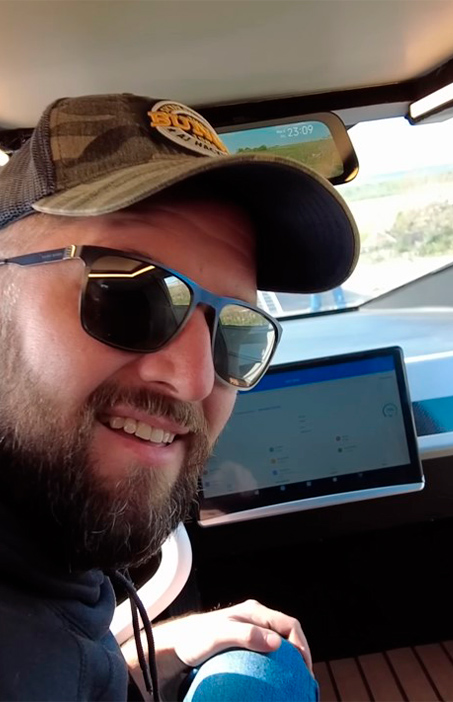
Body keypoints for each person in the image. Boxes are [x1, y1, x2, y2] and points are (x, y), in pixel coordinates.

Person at [0, 94, 359, 701]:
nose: (195, 379)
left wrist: (144, 654)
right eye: (128, 295)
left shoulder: (45, 559)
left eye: (234, 332)